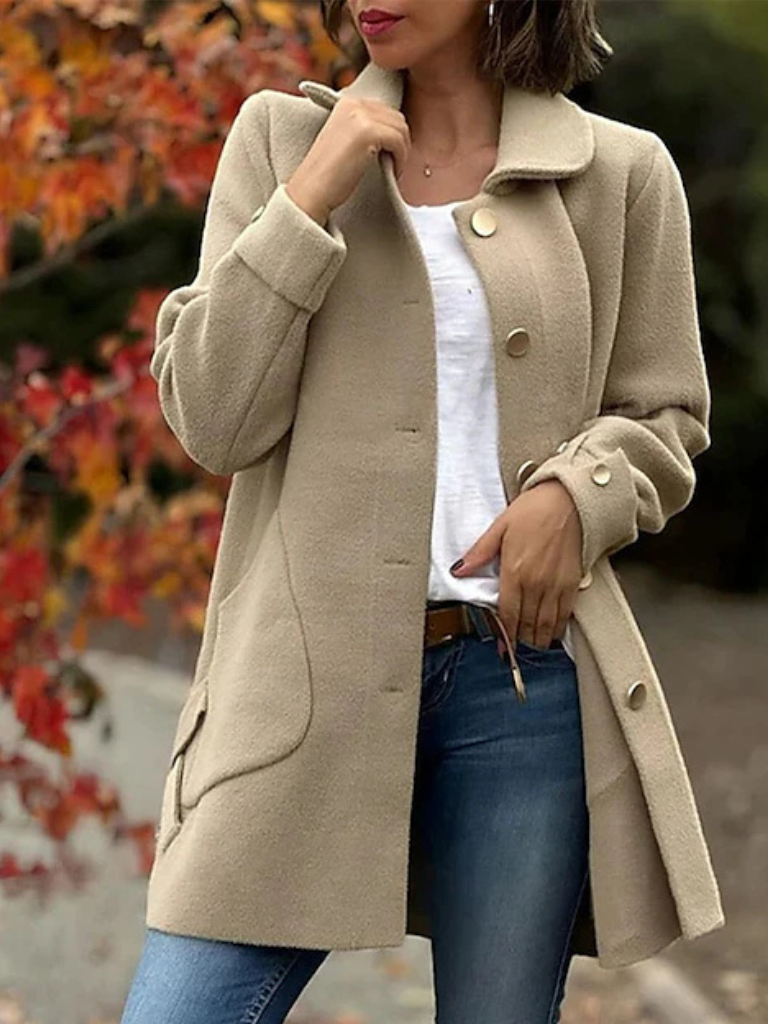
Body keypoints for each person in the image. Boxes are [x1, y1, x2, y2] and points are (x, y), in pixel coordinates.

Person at [121, 1, 724, 1022]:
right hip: (301, 691)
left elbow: (665, 415)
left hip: (521, 691)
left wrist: (576, 496)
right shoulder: (282, 141)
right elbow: (214, 420)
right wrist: (310, 195)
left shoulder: (620, 173)